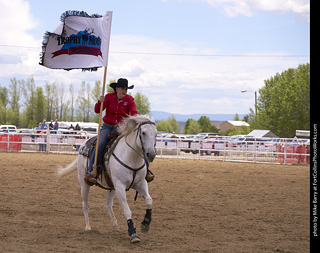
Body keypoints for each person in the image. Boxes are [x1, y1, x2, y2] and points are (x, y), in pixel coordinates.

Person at [85, 78, 154, 185]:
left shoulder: (130, 99)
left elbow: (134, 114)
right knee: (100, 144)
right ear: (116, 88)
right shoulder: (108, 97)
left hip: (123, 129)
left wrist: (133, 123)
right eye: (122, 88)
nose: (124, 91)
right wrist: (100, 102)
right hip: (108, 127)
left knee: (138, 145)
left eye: (126, 89)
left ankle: (146, 171)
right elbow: (97, 110)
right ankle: (92, 171)